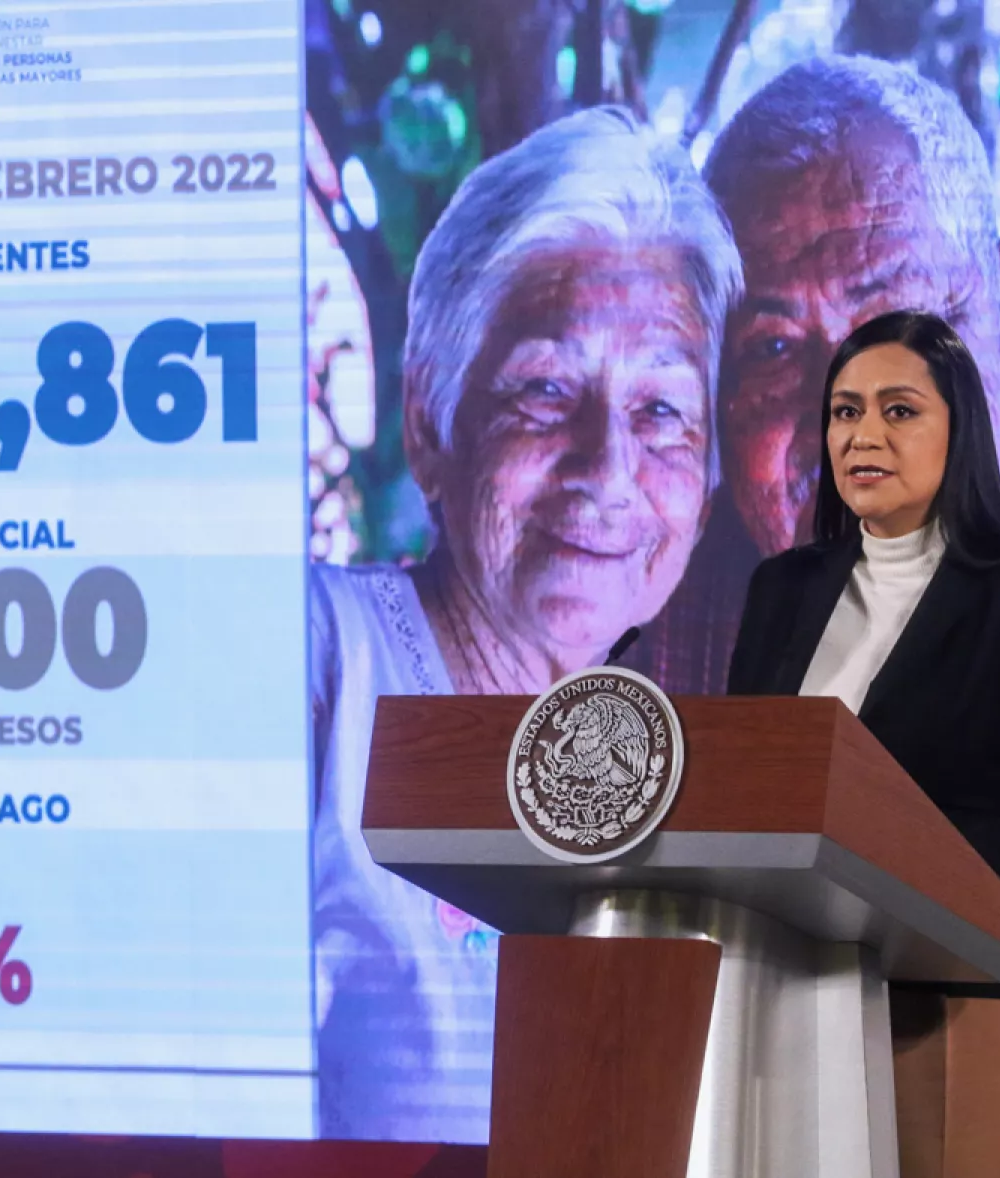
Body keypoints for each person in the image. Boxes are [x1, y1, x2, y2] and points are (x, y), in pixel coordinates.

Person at [624, 56, 1000, 1151]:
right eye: (774, 349)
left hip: (989, 1057)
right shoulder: (697, 609)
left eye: (899, 334)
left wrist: (893, 863)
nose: (844, 415)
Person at [309, 106, 743, 1142]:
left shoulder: (673, 771)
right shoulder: (320, 664)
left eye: (662, 411)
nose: (608, 471)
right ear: (430, 427)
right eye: (546, 389)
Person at [727, 310, 1000, 1178]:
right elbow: (744, 788)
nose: (863, 434)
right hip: (786, 998)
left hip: (956, 1004)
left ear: (959, 429)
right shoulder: (782, 589)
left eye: (898, 410)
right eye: (844, 411)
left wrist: (893, 855)